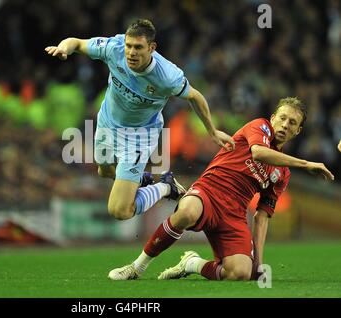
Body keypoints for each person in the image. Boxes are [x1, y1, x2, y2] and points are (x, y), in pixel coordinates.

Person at [108, 97, 334, 281]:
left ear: (298, 131)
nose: (285, 125)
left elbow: (263, 215)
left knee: (241, 273)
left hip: (234, 215)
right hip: (208, 192)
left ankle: (192, 264)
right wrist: (307, 164)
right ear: (273, 118)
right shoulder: (260, 126)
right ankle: (137, 267)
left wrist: (259, 263)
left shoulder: (282, 174)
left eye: (292, 123)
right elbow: (258, 152)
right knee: (186, 213)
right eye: (282, 118)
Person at [45, 19, 234, 221]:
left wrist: (212, 131)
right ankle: (144, 179)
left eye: (138, 47)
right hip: (108, 123)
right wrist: (64, 47)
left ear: (151, 48)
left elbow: (195, 97)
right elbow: (77, 42)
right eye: (128, 46)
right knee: (104, 170)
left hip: (139, 136)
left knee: (119, 210)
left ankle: (165, 187)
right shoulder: (114, 48)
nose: (131, 52)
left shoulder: (167, 76)